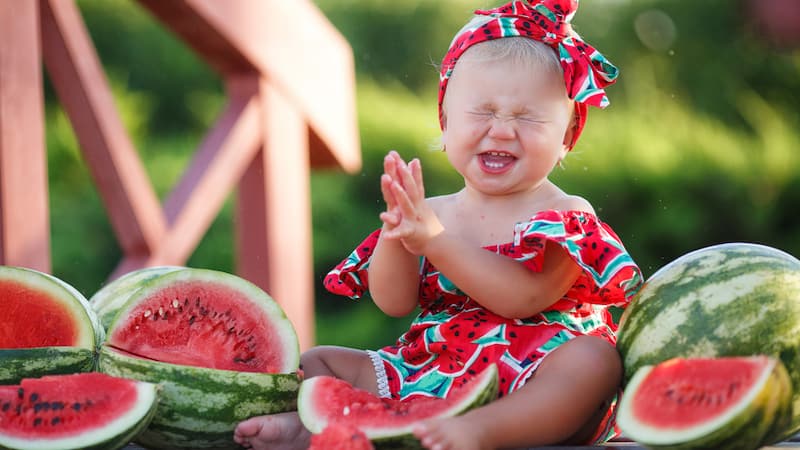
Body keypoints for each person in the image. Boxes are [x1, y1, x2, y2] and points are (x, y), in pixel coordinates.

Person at [234, 1, 643, 449]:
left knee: (596, 361)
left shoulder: (568, 214)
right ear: (446, 123)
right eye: (482, 112)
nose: (502, 130)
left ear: (566, 137)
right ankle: (309, 428)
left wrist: (433, 240)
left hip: (536, 375)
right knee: (317, 362)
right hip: (434, 371)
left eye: (527, 117)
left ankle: (482, 431)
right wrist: (398, 237)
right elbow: (393, 301)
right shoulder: (432, 212)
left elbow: (521, 298)